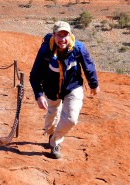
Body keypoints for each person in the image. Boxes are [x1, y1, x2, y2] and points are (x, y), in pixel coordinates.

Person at [30, 21, 100, 159]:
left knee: (71, 119)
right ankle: (51, 133)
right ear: (54, 35)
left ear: (70, 35)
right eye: (59, 35)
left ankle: (55, 141)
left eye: (65, 35)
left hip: (73, 87)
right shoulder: (45, 50)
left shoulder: (78, 48)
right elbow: (35, 75)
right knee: (52, 116)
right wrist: (39, 95)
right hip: (51, 89)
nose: (62, 39)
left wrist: (93, 84)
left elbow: (89, 66)